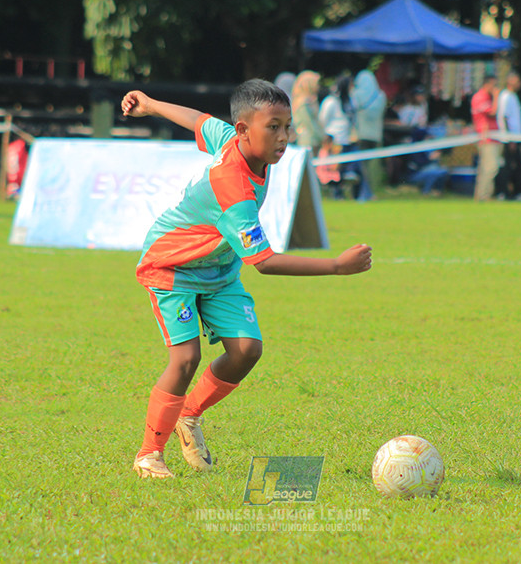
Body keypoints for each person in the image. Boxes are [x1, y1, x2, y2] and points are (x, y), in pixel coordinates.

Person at [120, 80, 373, 479]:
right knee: (185, 359)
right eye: (273, 127)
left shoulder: (232, 138)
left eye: (287, 126)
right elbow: (266, 262)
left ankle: (189, 415)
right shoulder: (233, 186)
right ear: (245, 130)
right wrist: (337, 267)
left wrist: (150, 104)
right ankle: (149, 455)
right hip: (174, 267)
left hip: (218, 270)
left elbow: (198, 120)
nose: (284, 137)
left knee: (247, 350)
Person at [350, 69, 387, 202]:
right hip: (376, 136)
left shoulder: (356, 94)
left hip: (360, 135)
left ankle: (366, 193)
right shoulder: (381, 95)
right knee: (368, 167)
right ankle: (366, 191)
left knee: (361, 166)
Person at [496, 72, 521, 200]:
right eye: (517, 81)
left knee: (518, 166)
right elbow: (504, 117)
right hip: (509, 139)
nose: (519, 84)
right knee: (507, 166)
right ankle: (503, 192)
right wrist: (509, 138)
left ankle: (520, 192)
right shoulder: (506, 96)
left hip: (516, 138)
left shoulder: (513, 96)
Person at [470, 74, 500, 201]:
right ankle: (483, 195)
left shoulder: (486, 97)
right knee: (490, 168)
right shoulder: (480, 97)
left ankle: (484, 195)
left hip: (492, 137)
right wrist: (497, 96)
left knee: (486, 168)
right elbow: (492, 112)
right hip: (486, 138)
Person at [290, 70, 325, 152]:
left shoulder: (307, 101)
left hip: (312, 140)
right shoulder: (304, 103)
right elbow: (309, 123)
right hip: (309, 141)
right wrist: (322, 137)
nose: (318, 86)